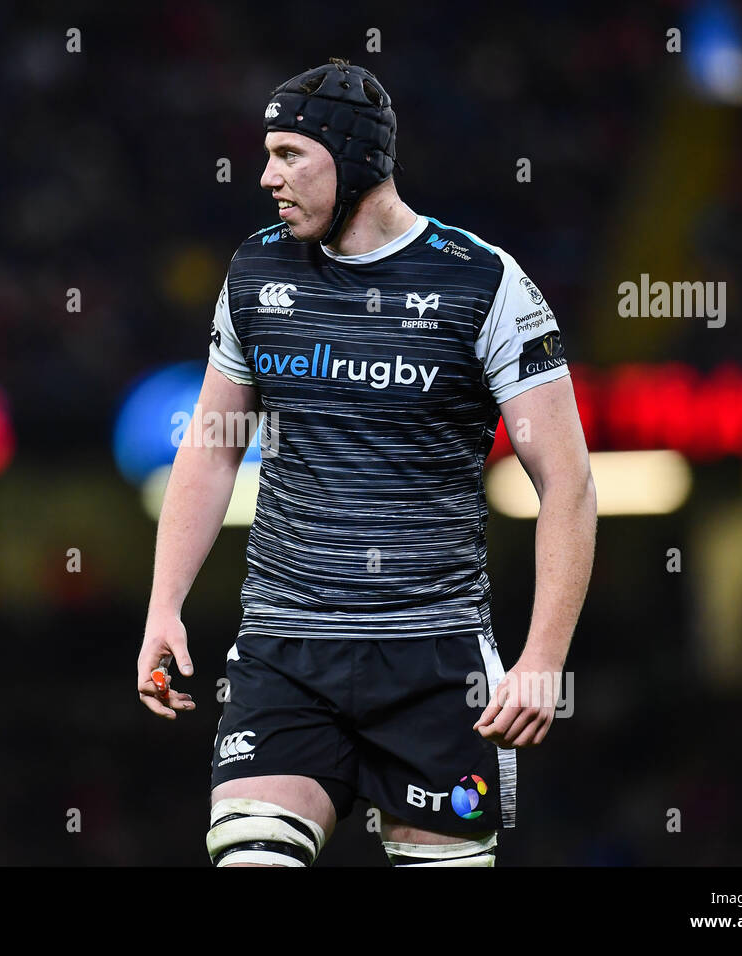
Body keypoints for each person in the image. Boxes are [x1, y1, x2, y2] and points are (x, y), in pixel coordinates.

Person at [136, 58, 596, 867]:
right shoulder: (255, 272)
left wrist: (541, 659)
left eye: (288, 155)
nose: (265, 176)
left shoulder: (485, 284)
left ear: (352, 159)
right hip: (285, 651)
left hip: (435, 664)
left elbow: (567, 482)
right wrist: (164, 605)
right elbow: (210, 453)